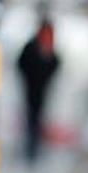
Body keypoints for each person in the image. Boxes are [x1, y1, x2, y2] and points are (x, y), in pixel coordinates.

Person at [16, 13, 60, 165]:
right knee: (31, 119)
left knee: (39, 119)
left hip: (42, 91)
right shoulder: (31, 46)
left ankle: (36, 148)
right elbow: (22, 64)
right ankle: (30, 149)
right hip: (31, 89)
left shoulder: (49, 49)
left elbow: (56, 64)